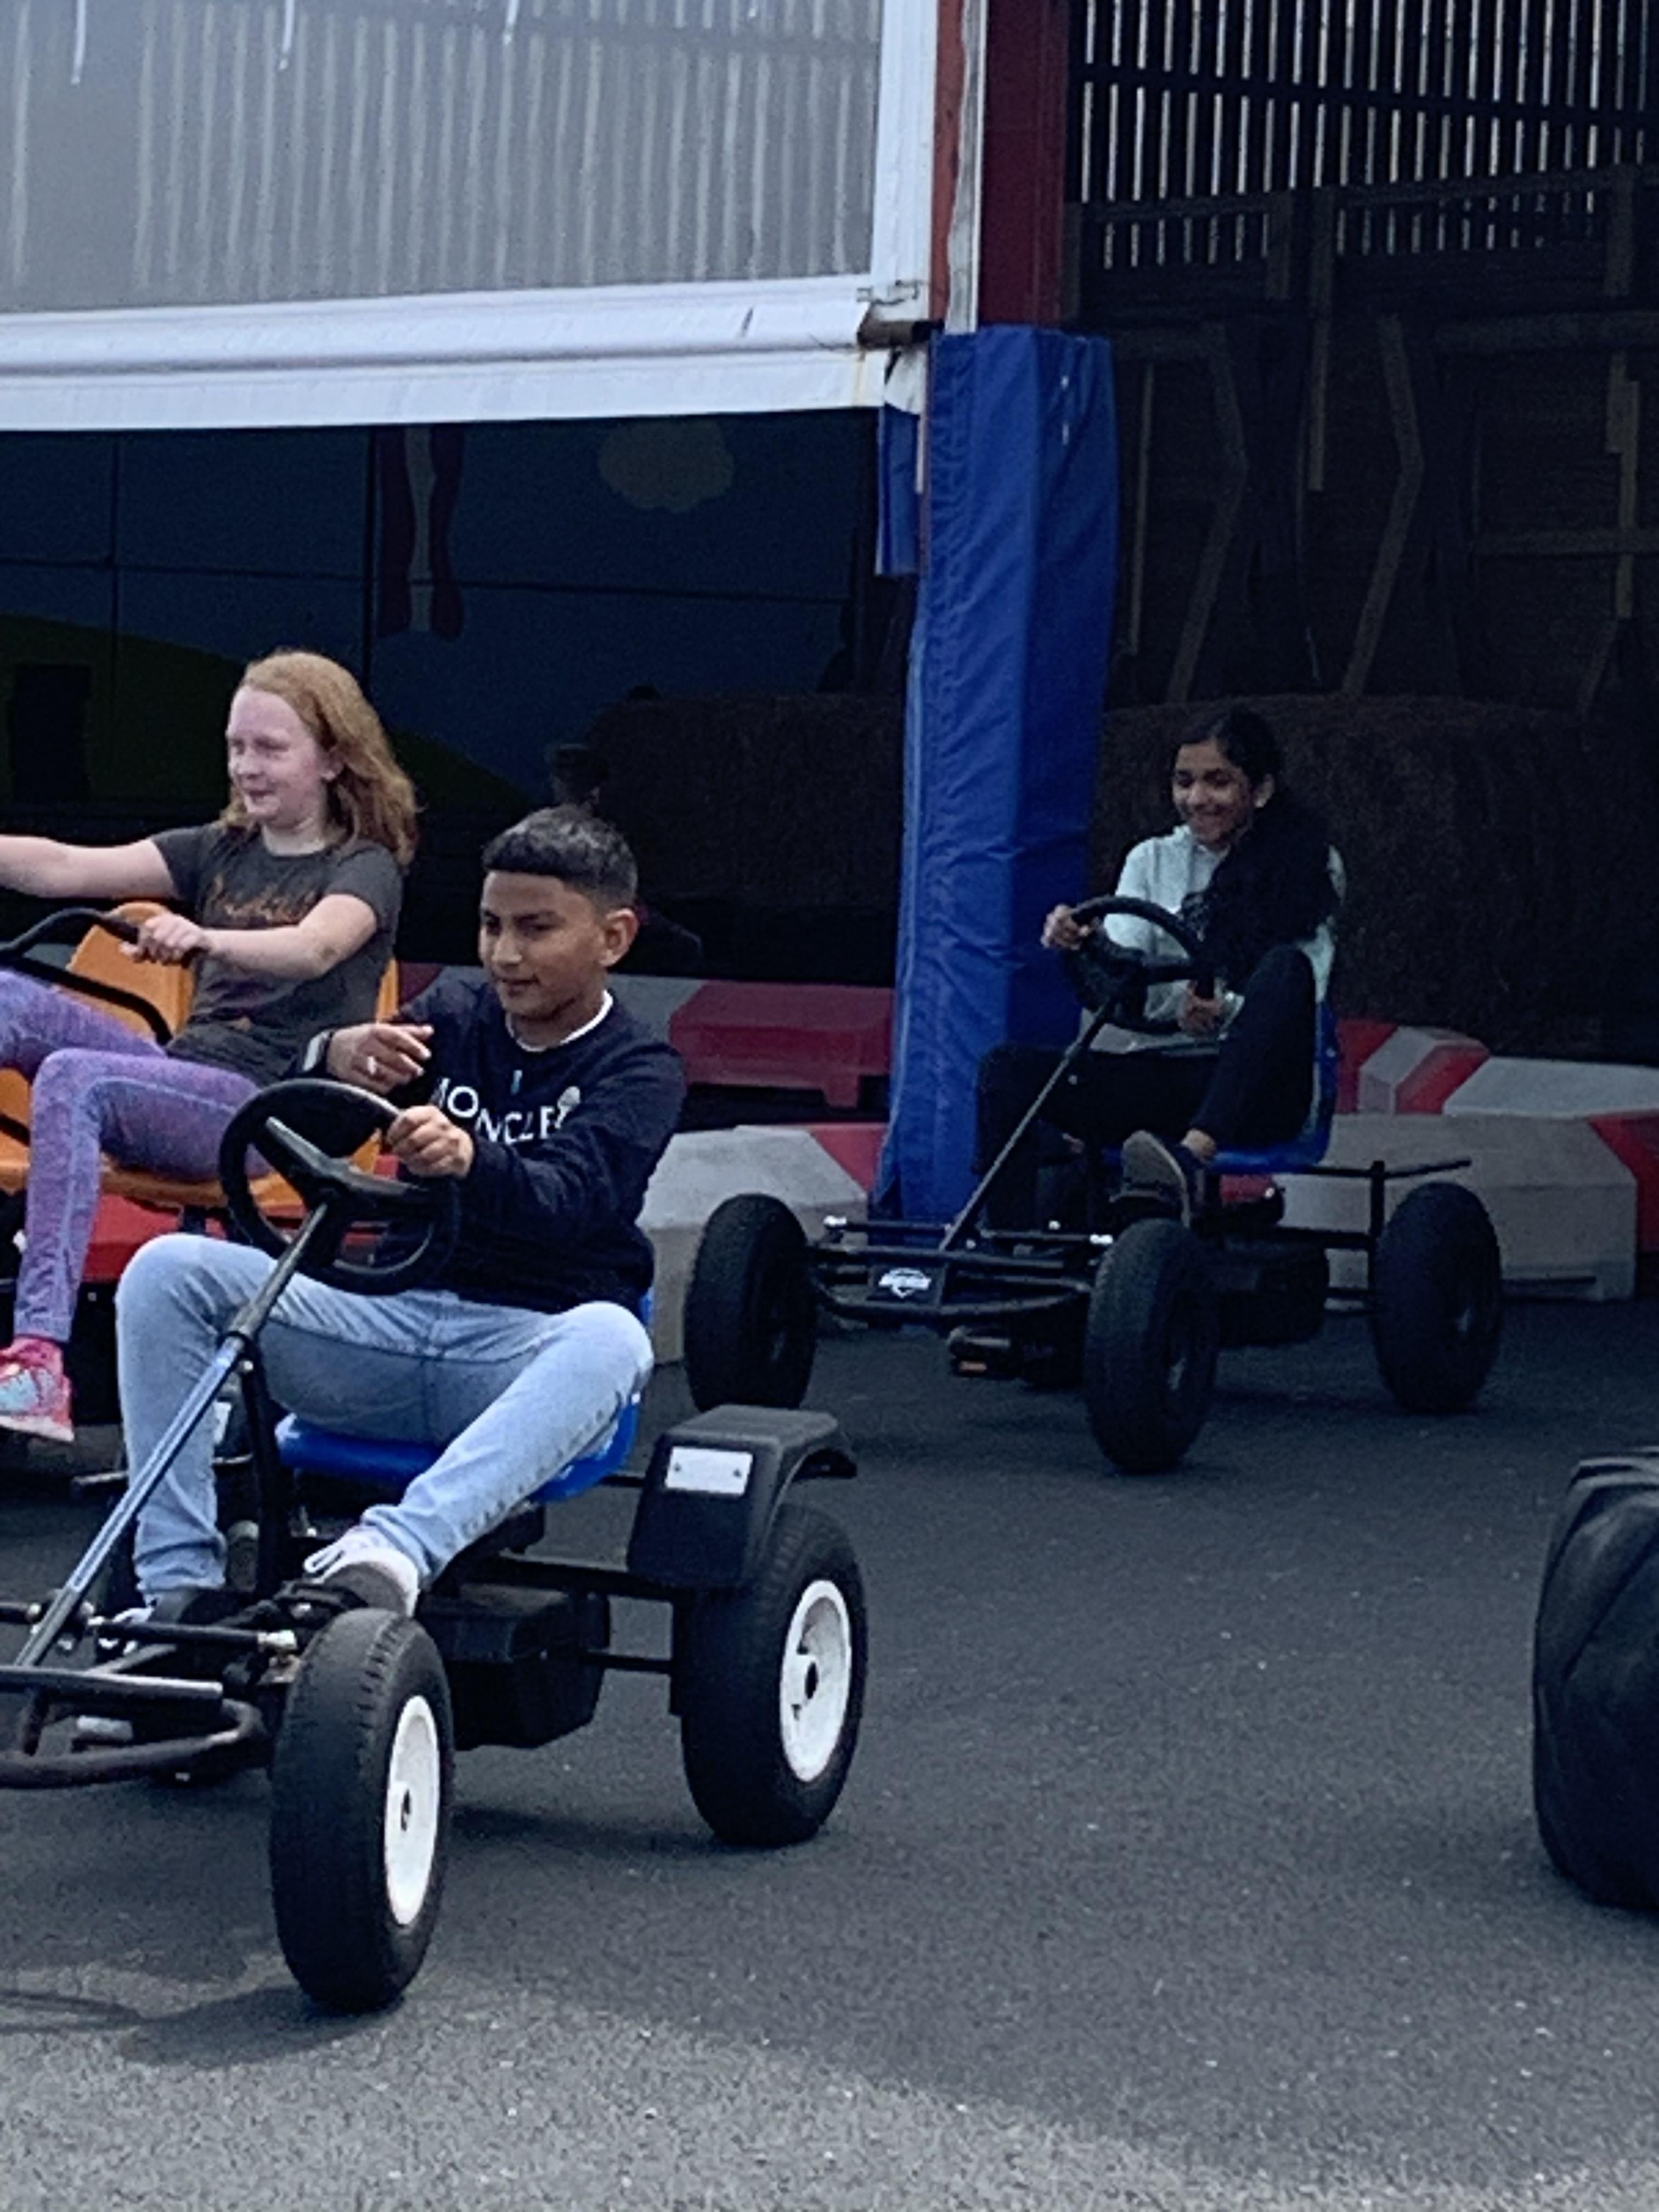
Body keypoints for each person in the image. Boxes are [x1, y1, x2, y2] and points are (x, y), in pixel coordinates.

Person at [116, 804, 686, 1621]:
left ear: (614, 938)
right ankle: (174, 1587)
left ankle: (391, 1553)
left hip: (519, 1357)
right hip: (384, 1324)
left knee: (614, 1340)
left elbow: (573, 1202)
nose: (506, 954)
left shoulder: (640, 1070)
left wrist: (471, 1159)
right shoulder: (453, 1014)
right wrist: (334, 1062)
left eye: (536, 930)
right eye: (491, 926)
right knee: (168, 1270)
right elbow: (299, 1147)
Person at [0, 650, 414, 1444]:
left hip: (269, 1114)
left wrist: (204, 938)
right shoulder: (222, 847)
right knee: (8, 997)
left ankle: (40, 1361)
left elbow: (316, 947)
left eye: (270, 749)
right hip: (184, 1082)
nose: (246, 768)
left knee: (76, 1078)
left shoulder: (364, 866)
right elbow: (64, 866)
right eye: (236, 747)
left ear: (333, 758)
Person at [975, 705, 1342, 1231]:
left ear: (1260, 791)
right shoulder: (1150, 860)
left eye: (1218, 782)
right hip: (1167, 1071)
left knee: (1286, 968)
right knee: (1005, 1070)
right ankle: (1003, 1246)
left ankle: (1191, 1157)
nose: (1197, 799)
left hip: (1259, 1089)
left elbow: (1305, 989)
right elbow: (1127, 975)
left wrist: (1224, 1010)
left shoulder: (1310, 864)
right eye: (1185, 782)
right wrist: (1083, 943)